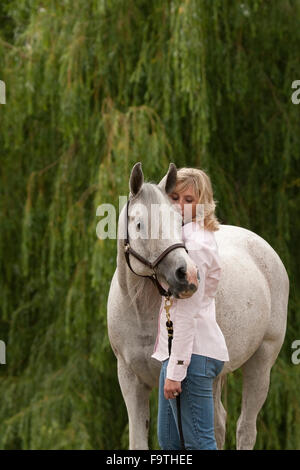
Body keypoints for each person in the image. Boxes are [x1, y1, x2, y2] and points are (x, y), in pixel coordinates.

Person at [151, 167, 229, 450]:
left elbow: (186, 312)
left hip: (193, 354)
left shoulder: (196, 245)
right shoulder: (179, 241)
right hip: (177, 353)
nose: (180, 206)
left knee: (199, 444)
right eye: (174, 198)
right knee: (170, 443)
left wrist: (176, 370)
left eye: (188, 199)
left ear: (202, 204)